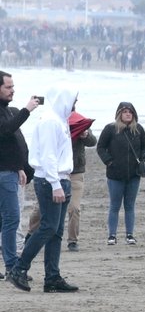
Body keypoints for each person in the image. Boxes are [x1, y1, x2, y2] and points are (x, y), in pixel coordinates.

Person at [8, 87, 78, 293]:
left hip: (61, 178)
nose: (75, 104)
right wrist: (56, 184)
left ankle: (52, 277)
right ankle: (19, 268)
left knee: (56, 231)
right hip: (50, 180)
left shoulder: (60, 120)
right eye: (74, 99)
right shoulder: (50, 121)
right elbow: (48, 156)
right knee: (48, 227)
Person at [28, 104, 96, 252]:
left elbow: (93, 142)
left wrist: (86, 135)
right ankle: (31, 233)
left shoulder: (79, 120)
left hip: (75, 172)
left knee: (74, 208)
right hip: (53, 172)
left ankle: (72, 240)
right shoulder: (52, 121)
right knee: (40, 208)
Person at [0, 72, 38, 278]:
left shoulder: (7, 110)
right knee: (11, 220)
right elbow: (5, 131)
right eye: (8, 87)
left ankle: (9, 265)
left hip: (10, 171)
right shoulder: (7, 114)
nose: (12, 90)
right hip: (3, 175)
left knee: (4, 221)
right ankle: (11, 266)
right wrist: (26, 111)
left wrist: (21, 167)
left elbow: (13, 143)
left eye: (13, 86)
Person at [96, 102, 145, 246]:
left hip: (134, 175)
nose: (127, 114)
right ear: (119, 114)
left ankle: (129, 235)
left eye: (130, 112)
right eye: (125, 111)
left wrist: (143, 162)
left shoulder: (138, 129)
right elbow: (100, 147)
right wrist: (109, 162)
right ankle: (112, 235)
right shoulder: (110, 129)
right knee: (115, 205)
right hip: (115, 175)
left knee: (130, 205)